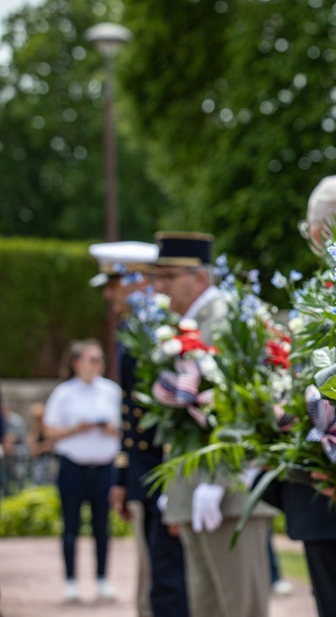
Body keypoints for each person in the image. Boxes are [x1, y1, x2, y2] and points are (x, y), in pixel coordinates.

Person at [154, 232, 273, 617]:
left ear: (200, 278)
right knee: (208, 608)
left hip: (227, 494)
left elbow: (247, 405)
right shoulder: (189, 324)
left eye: (169, 276)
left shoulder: (224, 321)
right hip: (198, 490)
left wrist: (221, 480)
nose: (161, 286)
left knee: (241, 608)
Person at [89, 240, 190, 617]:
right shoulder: (137, 330)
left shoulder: (155, 332)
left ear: (138, 282)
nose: (110, 295)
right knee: (159, 578)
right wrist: (123, 474)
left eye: (115, 284)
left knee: (168, 580)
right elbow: (130, 412)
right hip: (146, 472)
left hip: (160, 470)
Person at [43, 339, 122, 602]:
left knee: (102, 527)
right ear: (77, 363)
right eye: (92, 359)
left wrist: (111, 429)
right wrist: (76, 429)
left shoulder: (111, 391)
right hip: (73, 468)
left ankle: (102, 580)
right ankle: (71, 582)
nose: (97, 364)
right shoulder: (64, 393)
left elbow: (127, 429)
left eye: (100, 359)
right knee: (71, 527)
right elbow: (49, 431)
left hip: (104, 468)